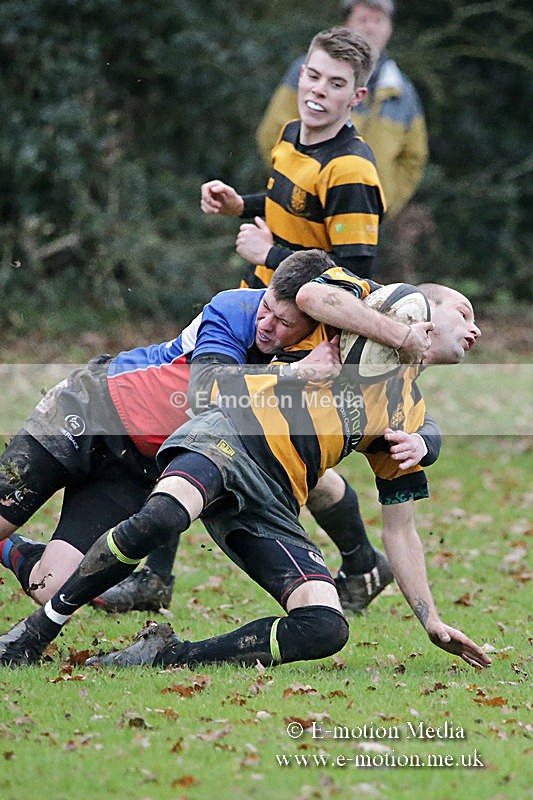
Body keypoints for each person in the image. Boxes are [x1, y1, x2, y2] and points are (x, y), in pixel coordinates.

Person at [0, 268, 490, 672]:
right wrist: (398, 335)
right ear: (421, 307)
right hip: (156, 424)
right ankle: (34, 632)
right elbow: (310, 294)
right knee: (162, 517)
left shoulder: (408, 414)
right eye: (462, 312)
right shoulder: (345, 310)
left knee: (325, 626)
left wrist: (430, 619)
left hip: (244, 489)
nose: (475, 329)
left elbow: (402, 529)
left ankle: (165, 656)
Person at [201, 25, 385, 289]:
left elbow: (354, 272)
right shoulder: (290, 132)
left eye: (336, 84)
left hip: (298, 322)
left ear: (356, 96)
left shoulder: (350, 170)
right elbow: (296, 203)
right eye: (314, 76)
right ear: (301, 75)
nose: (319, 89)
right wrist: (240, 205)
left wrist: (269, 256)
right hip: (256, 297)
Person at [256, 1, 428, 219]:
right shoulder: (312, 70)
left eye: (378, 21)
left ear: (390, 28)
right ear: (347, 23)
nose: (370, 28)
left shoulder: (402, 91)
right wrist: (295, 186)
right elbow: (272, 132)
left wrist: (385, 201)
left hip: (364, 217)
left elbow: (414, 157)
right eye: (363, 19)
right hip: (299, 210)